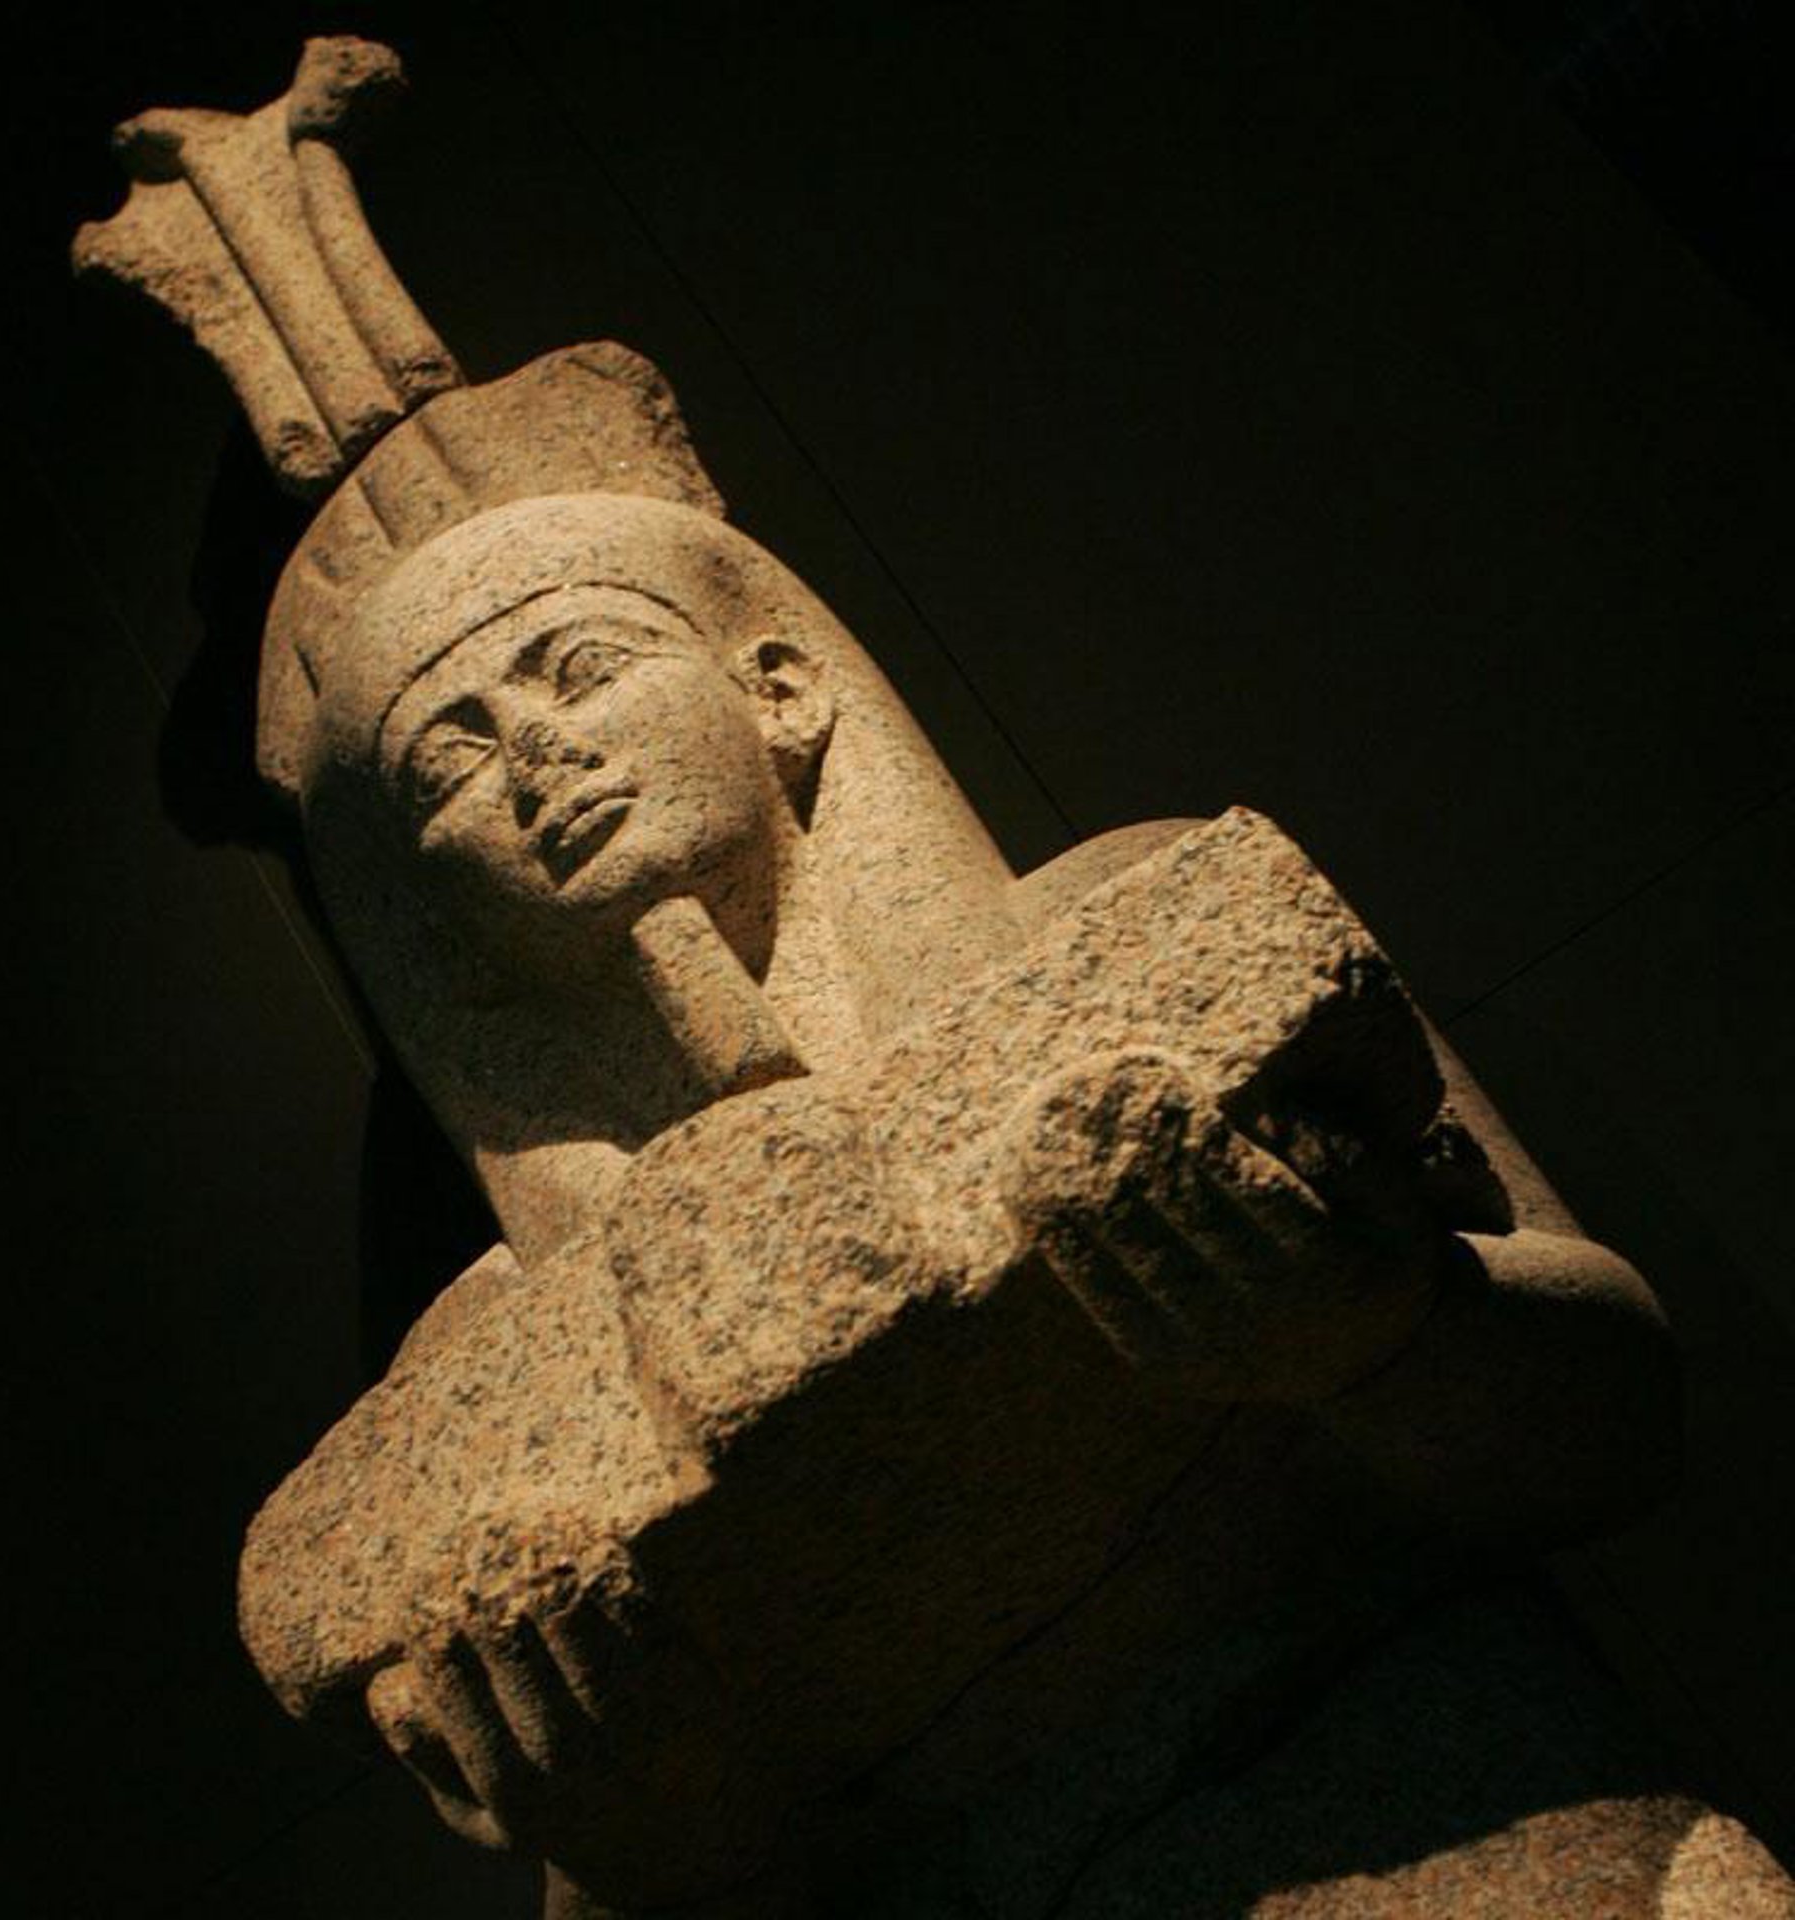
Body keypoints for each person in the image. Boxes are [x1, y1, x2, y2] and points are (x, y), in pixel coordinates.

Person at [242, 487, 1685, 1917]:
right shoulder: (488, 1364)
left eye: (580, 667)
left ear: (781, 690)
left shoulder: (1140, 916)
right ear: (441, 931)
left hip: (1460, 1792)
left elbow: (1621, 1414)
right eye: (449, 766)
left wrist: (1378, 1332)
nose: (538, 755)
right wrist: (641, 1818)